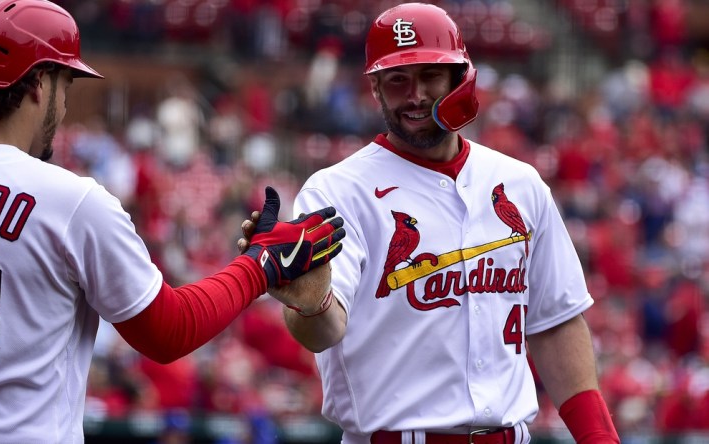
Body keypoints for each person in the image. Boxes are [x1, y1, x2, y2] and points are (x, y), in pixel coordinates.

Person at [0, 0, 344, 442]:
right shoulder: (70, 200)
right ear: (39, 84)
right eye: (66, 85)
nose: (64, 106)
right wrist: (261, 267)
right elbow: (168, 331)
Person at [243, 3, 621, 443]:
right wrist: (310, 304)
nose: (416, 95)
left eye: (429, 75)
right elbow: (323, 332)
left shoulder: (520, 183)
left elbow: (555, 321)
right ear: (376, 89)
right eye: (398, 80)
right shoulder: (337, 191)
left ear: (460, 78)